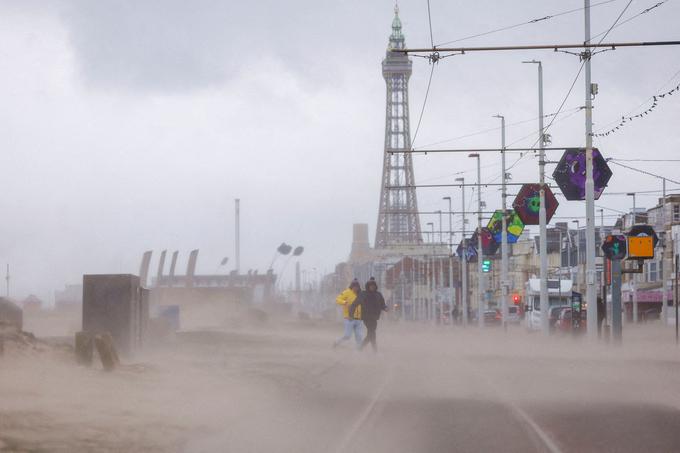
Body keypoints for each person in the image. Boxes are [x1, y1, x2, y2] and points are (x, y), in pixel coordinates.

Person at [350, 277, 387, 352]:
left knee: (371, 333)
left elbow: (382, 304)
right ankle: (374, 350)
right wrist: (351, 315)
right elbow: (354, 304)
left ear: (375, 286)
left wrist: (386, 308)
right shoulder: (363, 294)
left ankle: (362, 348)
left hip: (375, 317)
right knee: (372, 332)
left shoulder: (378, 294)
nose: (372, 287)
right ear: (368, 286)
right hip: (366, 317)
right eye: (370, 286)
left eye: (373, 286)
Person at [333, 279, 363, 349]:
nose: (356, 288)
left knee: (359, 336)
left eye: (357, 287)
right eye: (354, 286)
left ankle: (359, 351)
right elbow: (337, 299)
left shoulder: (361, 294)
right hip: (349, 318)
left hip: (359, 319)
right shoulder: (347, 292)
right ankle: (337, 342)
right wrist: (344, 302)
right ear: (351, 286)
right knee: (347, 336)